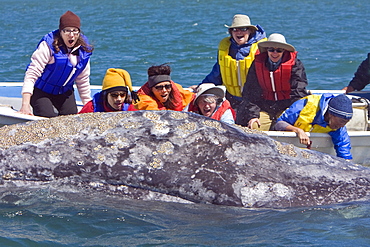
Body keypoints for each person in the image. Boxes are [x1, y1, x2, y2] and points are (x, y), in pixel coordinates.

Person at [19, 10, 94, 117]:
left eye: (75, 31)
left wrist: (88, 105)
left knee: (70, 119)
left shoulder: (83, 51)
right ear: (60, 31)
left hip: (64, 92)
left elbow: (82, 80)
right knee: (48, 118)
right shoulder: (47, 46)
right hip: (41, 91)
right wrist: (25, 105)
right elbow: (31, 74)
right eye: (67, 31)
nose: (71, 35)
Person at [236, 33, 309, 131]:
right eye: (271, 49)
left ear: (284, 51)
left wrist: (292, 113)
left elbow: (298, 92)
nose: (275, 53)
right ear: (267, 50)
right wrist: (253, 115)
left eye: (279, 50)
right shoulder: (257, 64)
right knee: (254, 127)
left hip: (286, 107)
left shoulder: (296, 65)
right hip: (264, 107)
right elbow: (250, 93)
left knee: (294, 126)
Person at [199, 14, 267, 109]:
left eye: (243, 29)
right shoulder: (226, 48)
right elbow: (216, 74)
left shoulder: (262, 49)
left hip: (256, 101)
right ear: (231, 32)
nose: (239, 32)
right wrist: (202, 86)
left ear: (250, 31)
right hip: (231, 99)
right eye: (235, 29)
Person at [274, 94, 353, 160]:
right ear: (331, 115)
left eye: (346, 122)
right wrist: (298, 131)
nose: (342, 125)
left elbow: (343, 147)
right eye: (341, 121)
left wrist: (347, 162)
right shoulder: (303, 106)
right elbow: (279, 124)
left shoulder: (339, 126)